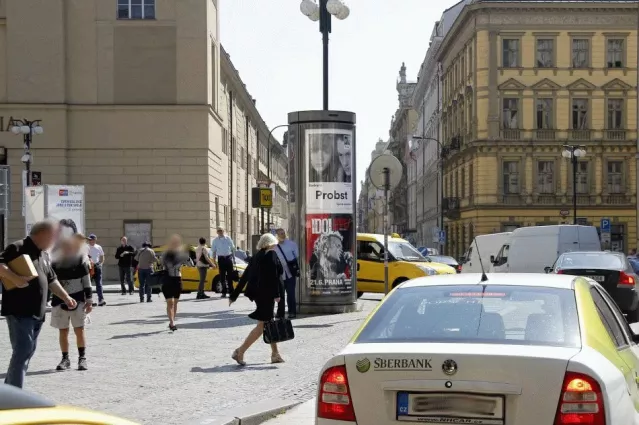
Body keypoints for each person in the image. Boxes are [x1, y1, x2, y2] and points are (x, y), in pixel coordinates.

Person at [0, 219, 77, 388]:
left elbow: (52, 280)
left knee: (27, 352)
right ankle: (15, 394)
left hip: (37, 312)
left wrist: (66, 297)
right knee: (23, 351)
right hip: (19, 311)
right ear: (44, 234)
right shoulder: (18, 247)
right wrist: (16, 279)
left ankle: (9, 392)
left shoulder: (44, 254)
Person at [229, 233, 284, 366]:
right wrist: (277, 294)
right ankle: (240, 351)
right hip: (268, 295)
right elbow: (274, 275)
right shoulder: (271, 255)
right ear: (270, 243)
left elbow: (245, 276)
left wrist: (234, 295)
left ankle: (275, 354)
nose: (276, 245)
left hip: (260, 296)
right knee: (261, 326)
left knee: (268, 323)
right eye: (274, 243)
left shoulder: (256, 257)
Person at [51, 234, 92, 371]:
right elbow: (50, 281)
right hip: (59, 301)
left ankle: (82, 358)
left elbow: (86, 281)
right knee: (63, 331)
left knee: (79, 330)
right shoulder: (55, 262)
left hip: (78, 300)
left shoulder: (80, 260)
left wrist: (89, 300)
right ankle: (65, 359)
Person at [161, 234, 190, 331]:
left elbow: (190, 264)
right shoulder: (166, 254)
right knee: (170, 302)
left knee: (175, 303)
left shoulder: (182, 254)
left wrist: (185, 256)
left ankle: (172, 320)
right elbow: (166, 265)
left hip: (177, 280)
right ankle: (172, 322)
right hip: (168, 279)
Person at [275, 229, 299, 319]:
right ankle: (280, 313)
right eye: (280, 234)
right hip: (279, 274)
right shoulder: (273, 246)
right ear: (276, 235)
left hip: (290, 273)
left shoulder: (291, 244)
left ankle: (292, 312)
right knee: (280, 294)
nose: (283, 235)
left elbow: (296, 256)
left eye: (283, 233)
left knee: (291, 293)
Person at [211, 227, 236, 298]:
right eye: (218, 231)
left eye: (221, 231)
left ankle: (231, 291)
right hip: (221, 259)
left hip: (228, 258)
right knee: (222, 276)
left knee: (230, 276)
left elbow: (232, 248)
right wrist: (214, 261)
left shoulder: (228, 238)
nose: (220, 232)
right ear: (217, 232)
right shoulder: (215, 240)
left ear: (223, 231)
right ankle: (224, 292)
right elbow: (214, 251)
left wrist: (234, 259)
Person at [87, 234, 106, 307]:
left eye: (92, 239)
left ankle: (101, 300)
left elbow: (102, 256)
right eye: (90, 239)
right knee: (88, 284)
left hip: (97, 266)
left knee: (99, 284)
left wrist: (101, 263)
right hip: (89, 266)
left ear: (95, 240)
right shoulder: (86, 247)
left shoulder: (98, 247)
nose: (91, 241)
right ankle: (90, 300)